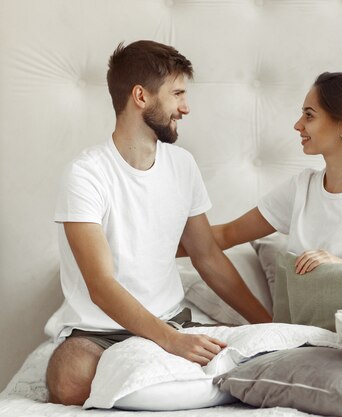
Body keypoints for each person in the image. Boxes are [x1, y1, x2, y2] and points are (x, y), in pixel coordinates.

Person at [44, 40, 272, 406]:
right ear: (141, 96)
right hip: (99, 332)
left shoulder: (182, 165)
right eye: (177, 94)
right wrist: (170, 342)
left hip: (172, 321)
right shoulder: (86, 174)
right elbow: (100, 285)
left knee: (261, 355)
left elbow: (207, 256)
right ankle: (176, 379)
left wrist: (267, 323)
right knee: (68, 379)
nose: (185, 107)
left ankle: (152, 378)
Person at [212, 72, 342, 273]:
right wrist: (177, 238)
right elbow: (226, 234)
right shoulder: (301, 189)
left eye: (309, 116)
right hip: (306, 313)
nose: (298, 125)